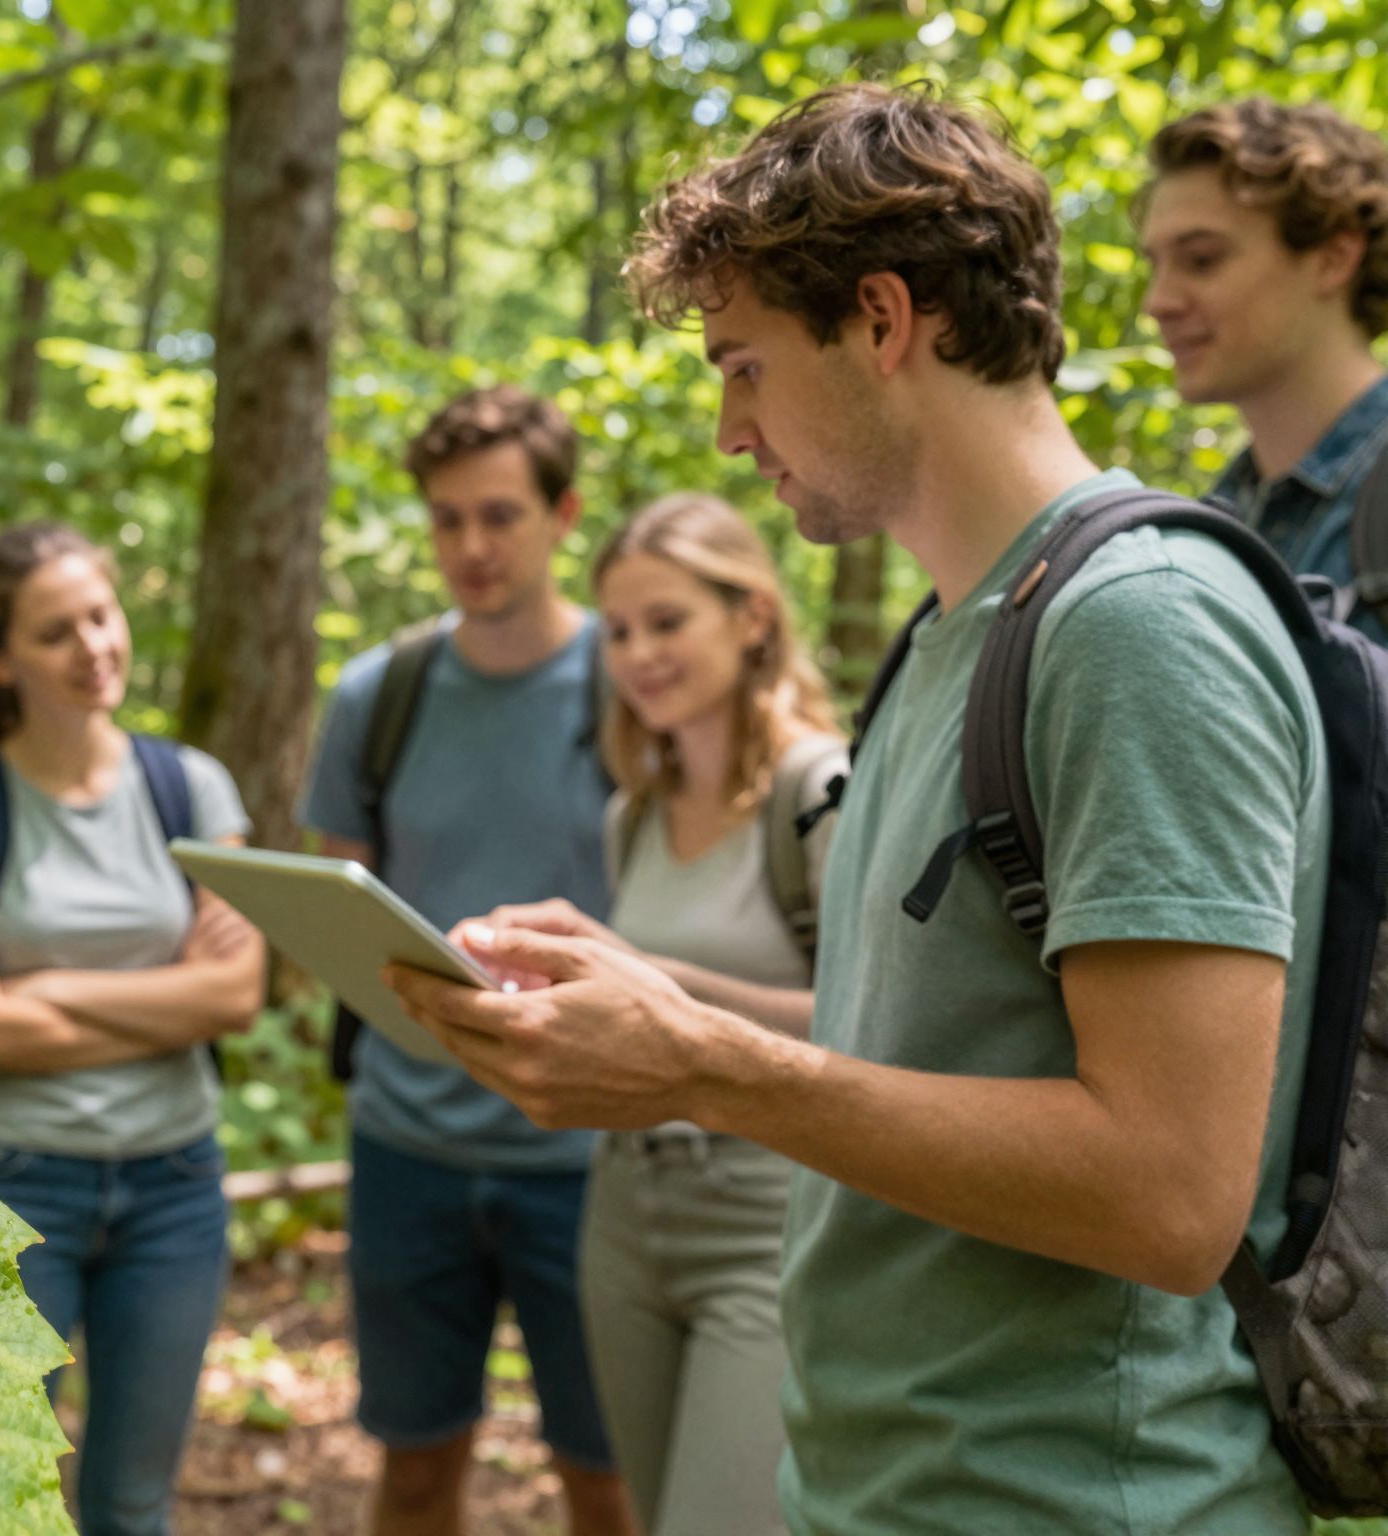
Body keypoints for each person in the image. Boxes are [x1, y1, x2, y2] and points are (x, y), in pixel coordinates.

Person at [387, 84, 1330, 1535]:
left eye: (746, 367)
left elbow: (1170, 1193)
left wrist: (702, 1065)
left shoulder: (1137, 625)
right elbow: (908, 1057)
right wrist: (660, 1000)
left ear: (882, 321)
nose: (725, 429)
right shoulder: (954, 633)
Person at [452, 493, 845, 1535]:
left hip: (767, 1221)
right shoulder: (633, 816)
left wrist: (645, 975)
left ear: (751, 616)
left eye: (666, 622)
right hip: (622, 1215)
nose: (636, 654)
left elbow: (873, 1022)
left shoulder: (819, 788)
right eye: (619, 631)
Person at [298, 386, 633, 1534]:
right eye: (447, 520)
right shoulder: (375, 697)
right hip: (409, 1147)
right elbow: (339, 912)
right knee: (413, 1466)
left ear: (562, 514)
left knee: (607, 1475)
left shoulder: (632, 687)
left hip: (587, 1157)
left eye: (499, 515)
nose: (472, 547)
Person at [0, 521, 264, 1536]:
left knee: (133, 1503)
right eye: (55, 632)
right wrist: (162, 999)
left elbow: (235, 995)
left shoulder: (192, 788)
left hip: (174, 1190)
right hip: (12, 1186)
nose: (92, 646)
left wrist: (47, 990)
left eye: (100, 616)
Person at [1140, 98, 1388, 641]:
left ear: (1333, 258)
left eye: (1202, 259)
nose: (1157, 302)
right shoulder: (1213, 525)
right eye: (1153, 265)